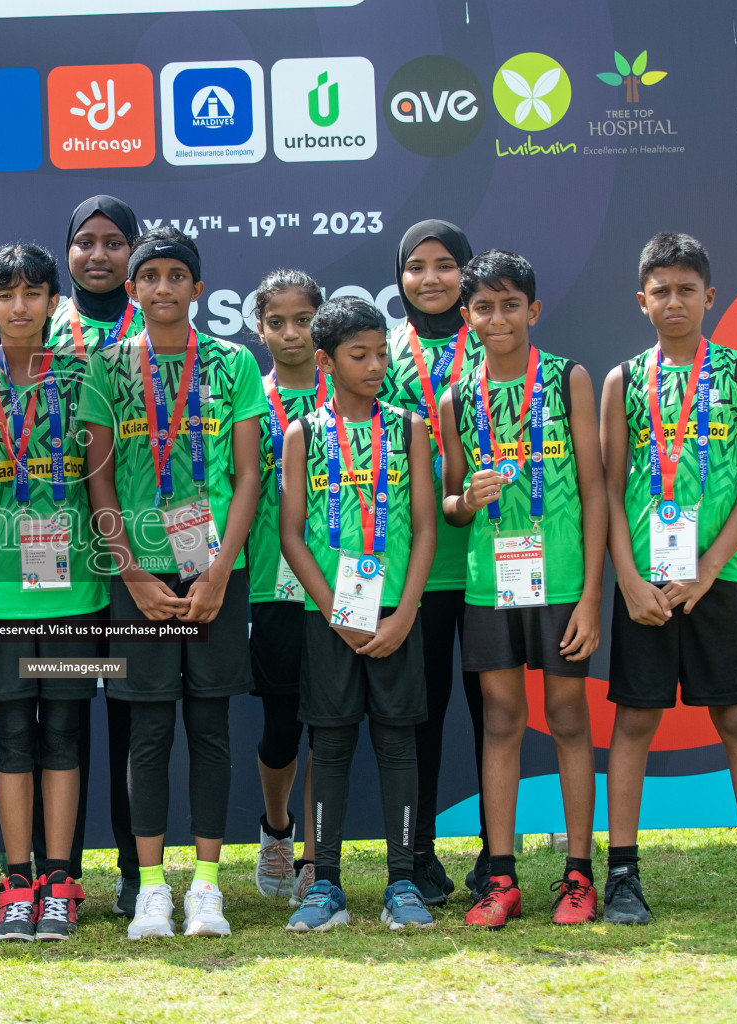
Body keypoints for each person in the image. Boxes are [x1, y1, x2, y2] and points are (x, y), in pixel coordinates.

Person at [83, 226, 266, 940]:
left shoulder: (231, 364)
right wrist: (130, 573)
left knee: (212, 728)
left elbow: (249, 473)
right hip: (141, 575)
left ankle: (209, 888)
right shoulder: (106, 367)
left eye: (175, 276)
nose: (162, 288)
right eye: (149, 276)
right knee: (149, 732)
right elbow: (96, 479)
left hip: (218, 570)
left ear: (197, 288)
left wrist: (221, 572)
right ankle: (154, 888)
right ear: (131, 291)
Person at [599, 232, 737, 923]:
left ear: (709, 297)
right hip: (646, 585)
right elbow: (609, 490)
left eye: (686, 289)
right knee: (635, 721)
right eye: (661, 290)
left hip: (720, 578)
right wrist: (627, 579)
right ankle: (622, 876)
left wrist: (708, 571)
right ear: (641, 299)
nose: (673, 301)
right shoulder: (623, 379)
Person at [438, 251, 606, 929]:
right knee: (502, 720)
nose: (497, 317)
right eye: (484, 306)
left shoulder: (569, 379)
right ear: (466, 316)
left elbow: (596, 491)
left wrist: (594, 596)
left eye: (511, 305)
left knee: (567, 716)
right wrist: (466, 500)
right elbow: (450, 502)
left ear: (533, 311)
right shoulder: (455, 397)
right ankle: (499, 877)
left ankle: (577, 874)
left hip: (563, 580)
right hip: (489, 585)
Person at [0, 243, 105, 941]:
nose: (19, 306)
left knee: (64, 731)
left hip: (76, 596)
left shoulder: (84, 376)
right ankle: (17, 883)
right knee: (13, 736)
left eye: (33, 294)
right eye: (5, 294)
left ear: (51, 303)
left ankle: (61, 879)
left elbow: (100, 479)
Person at [278, 296, 438, 932]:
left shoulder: (410, 428)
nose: (375, 366)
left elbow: (425, 529)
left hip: (397, 611)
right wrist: (332, 609)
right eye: (359, 355)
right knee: (332, 743)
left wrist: (405, 616)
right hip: (332, 615)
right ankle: (326, 885)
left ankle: (402, 882)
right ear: (326, 361)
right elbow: (292, 535)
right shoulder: (303, 434)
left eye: (381, 353)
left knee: (398, 742)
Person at [379, 220, 490, 901]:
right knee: (419, 715)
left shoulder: (495, 338)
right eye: (415, 266)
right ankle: (417, 853)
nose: (430, 278)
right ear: (400, 278)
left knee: (492, 714)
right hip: (412, 564)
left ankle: (493, 852)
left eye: (446, 265)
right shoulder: (384, 348)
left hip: (485, 562)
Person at [47, 194, 146, 912]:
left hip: (141, 555)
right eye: (86, 242)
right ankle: (63, 870)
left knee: (136, 711)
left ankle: (137, 868)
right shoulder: (37, 327)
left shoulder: (162, 328)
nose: (100, 255)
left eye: (116, 242)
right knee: (68, 709)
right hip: (61, 556)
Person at [245, 269, 326, 904]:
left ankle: (315, 857)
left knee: (330, 723)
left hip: (340, 585)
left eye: (303, 320)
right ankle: (276, 830)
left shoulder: (347, 392)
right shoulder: (249, 394)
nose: (291, 332)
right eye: (277, 321)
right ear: (259, 327)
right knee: (280, 728)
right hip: (269, 589)